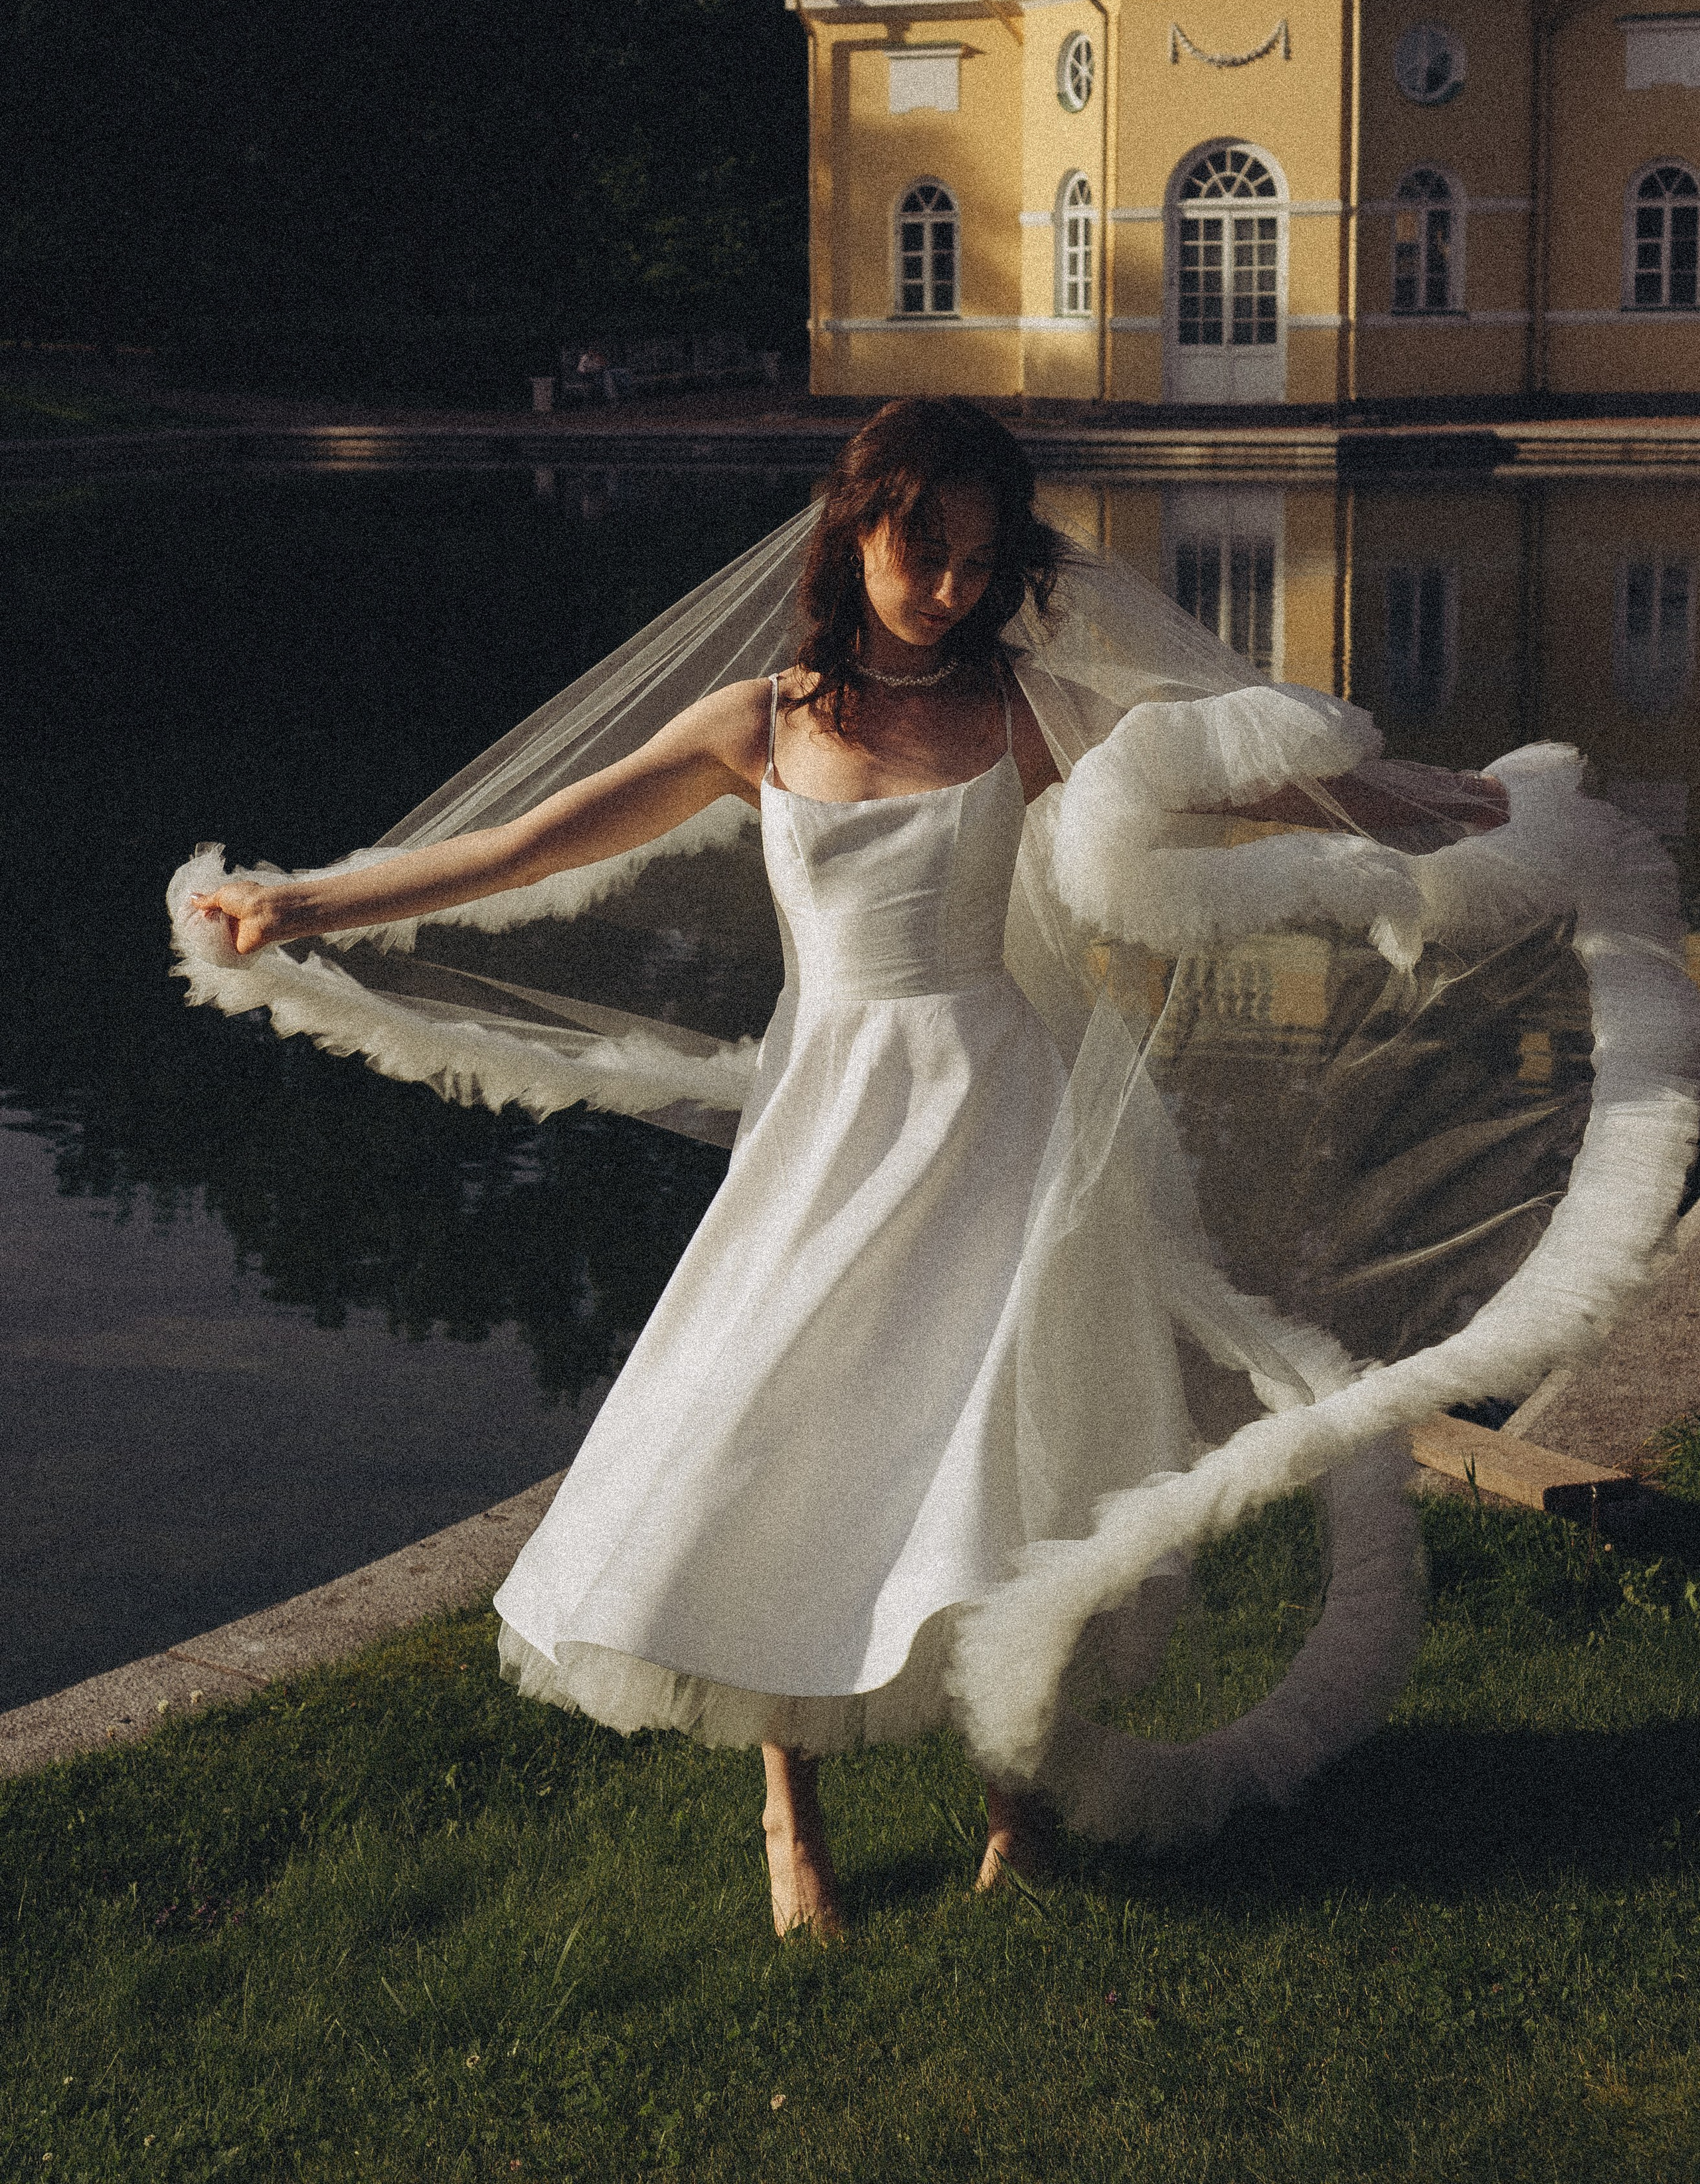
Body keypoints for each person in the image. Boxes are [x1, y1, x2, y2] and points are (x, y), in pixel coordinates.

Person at [186, 401, 1557, 1941]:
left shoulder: (1025, 708)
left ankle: (1013, 1807)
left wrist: (1438, 808)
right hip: (830, 1119)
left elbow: (1232, 785)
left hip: (993, 1115)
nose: (953, 586)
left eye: (981, 559)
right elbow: (533, 847)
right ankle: (792, 1812)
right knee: (790, 1436)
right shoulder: (752, 725)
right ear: (854, 530)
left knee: (997, 1450)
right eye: (924, 549)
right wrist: (307, 902)